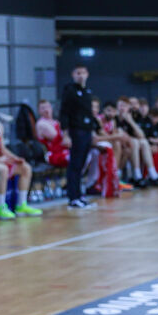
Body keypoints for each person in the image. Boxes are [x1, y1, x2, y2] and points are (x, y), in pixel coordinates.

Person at [59, 65, 98, 209]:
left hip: (87, 131)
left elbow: (89, 114)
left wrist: (92, 131)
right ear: (73, 75)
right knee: (75, 165)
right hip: (76, 131)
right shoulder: (70, 90)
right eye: (77, 73)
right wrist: (66, 134)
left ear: (87, 74)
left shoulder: (87, 92)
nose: (80, 76)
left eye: (83, 73)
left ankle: (79, 195)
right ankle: (73, 197)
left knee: (82, 165)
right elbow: (64, 112)